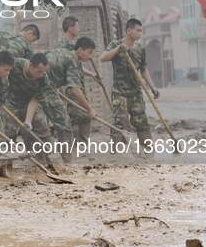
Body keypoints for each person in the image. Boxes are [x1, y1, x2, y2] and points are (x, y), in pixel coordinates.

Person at [100, 18, 159, 151]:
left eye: (141, 30)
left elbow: (143, 69)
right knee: (120, 123)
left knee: (141, 122)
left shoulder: (140, 48)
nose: (140, 33)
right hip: (119, 92)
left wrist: (152, 87)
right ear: (128, 31)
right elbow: (103, 57)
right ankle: (118, 153)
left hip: (136, 92)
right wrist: (118, 50)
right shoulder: (116, 44)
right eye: (138, 30)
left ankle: (148, 151)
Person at [2, 53, 64, 167]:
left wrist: (28, 121)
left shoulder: (43, 79)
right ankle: (4, 167)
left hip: (29, 103)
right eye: (39, 71)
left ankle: (50, 162)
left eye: (43, 72)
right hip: (10, 103)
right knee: (8, 134)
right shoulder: (15, 65)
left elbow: (35, 99)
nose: (41, 75)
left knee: (42, 129)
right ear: (30, 65)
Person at [46, 37, 97, 159]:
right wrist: (89, 109)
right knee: (63, 123)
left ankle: (53, 154)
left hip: (45, 85)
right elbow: (74, 89)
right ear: (80, 50)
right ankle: (65, 157)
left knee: (48, 122)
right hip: (44, 88)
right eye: (89, 52)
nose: (90, 57)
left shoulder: (66, 53)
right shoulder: (73, 59)